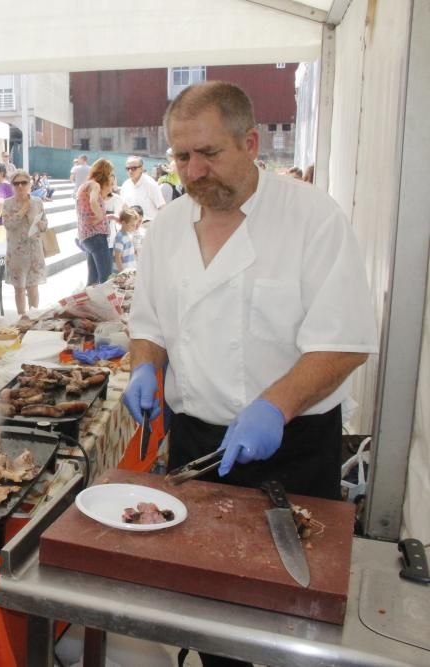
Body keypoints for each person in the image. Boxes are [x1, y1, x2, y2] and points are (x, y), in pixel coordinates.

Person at [124, 84, 377, 667]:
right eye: (181, 157)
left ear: (251, 142)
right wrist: (145, 367)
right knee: (210, 611)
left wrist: (275, 406)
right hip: (196, 444)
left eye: (208, 153)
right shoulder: (167, 228)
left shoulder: (312, 218)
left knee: (293, 610)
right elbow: (150, 322)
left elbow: (345, 342)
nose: (194, 171)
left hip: (292, 448)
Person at [2, 169, 47, 315]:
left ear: (29, 183)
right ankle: (21, 319)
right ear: (12, 186)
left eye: (24, 183)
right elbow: (9, 224)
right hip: (16, 253)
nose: (20, 186)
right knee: (19, 289)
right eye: (16, 183)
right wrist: (23, 209)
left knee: (33, 288)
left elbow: (44, 221)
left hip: (34, 251)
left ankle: (34, 317)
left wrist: (42, 225)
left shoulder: (38, 201)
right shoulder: (8, 204)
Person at [76, 159, 115, 285]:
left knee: (93, 280)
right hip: (96, 235)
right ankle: (105, 304)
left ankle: (88, 303)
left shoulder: (84, 186)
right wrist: (99, 216)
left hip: (86, 236)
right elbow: (93, 201)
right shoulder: (95, 185)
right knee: (106, 278)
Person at [121, 156, 166, 221]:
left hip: (148, 225)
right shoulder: (125, 185)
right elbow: (124, 208)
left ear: (141, 168)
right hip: (131, 226)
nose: (130, 171)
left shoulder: (151, 184)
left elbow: (162, 207)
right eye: (128, 168)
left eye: (134, 168)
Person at [113, 207, 139, 272]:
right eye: (132, 225)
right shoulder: (120, 237)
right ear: (124, 223)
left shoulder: (128, 234)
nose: (134, 227)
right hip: (124, 272)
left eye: (135, 225)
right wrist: (122, 273)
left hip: (130, 269)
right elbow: (117, 257)